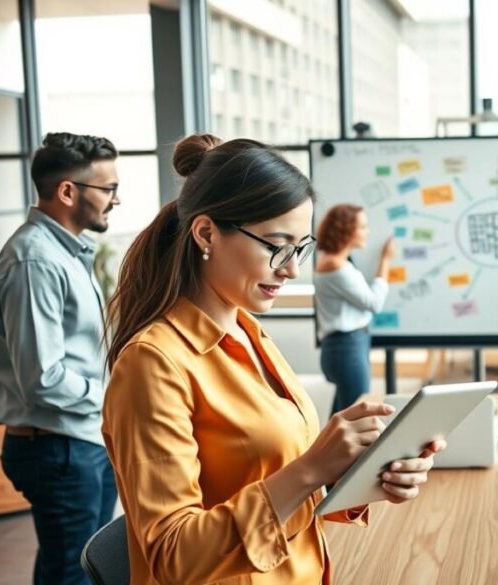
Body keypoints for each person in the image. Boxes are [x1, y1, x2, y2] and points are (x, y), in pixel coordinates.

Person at [101, 134, 443, 584]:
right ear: (206, 233)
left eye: (300, 247)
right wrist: (310, 470)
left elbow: (270, 474)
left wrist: (358, 475)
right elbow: (173, 555)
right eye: (276, 246)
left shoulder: (249, 331)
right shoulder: (152, 364)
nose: (292, 269)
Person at [0, 132, 120, 585]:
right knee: (73, 574)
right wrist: (114, 396)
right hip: (56, 447)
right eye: (108, 188)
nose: (115, 199)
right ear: (67, 191)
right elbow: (42, 377)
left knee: (76, 566)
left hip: (75, 439)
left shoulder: (65, 254)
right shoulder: (35, 262)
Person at [314, 205, 395, 412]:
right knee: (357, 413)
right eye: (363, 227)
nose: (367, 232)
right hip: (346, 346)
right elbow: (374, 303)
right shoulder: (337, 266)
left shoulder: (334, 261)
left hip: (344, 345)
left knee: (343, 414)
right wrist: (385, 260)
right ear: (346, 229)